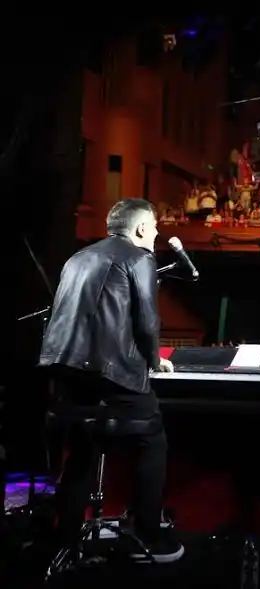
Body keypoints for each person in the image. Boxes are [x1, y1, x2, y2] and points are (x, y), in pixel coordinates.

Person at [39, 198, 183, 563]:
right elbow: (147, 321)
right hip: (108, 375)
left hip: (64, 374)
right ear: (139, 230)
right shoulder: (139, 258)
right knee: (153, 437)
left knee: (83, 447)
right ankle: (148, 532)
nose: (156, 234)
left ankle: (65, 540)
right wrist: (153, 361)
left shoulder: (77, 258)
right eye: (153, 227)